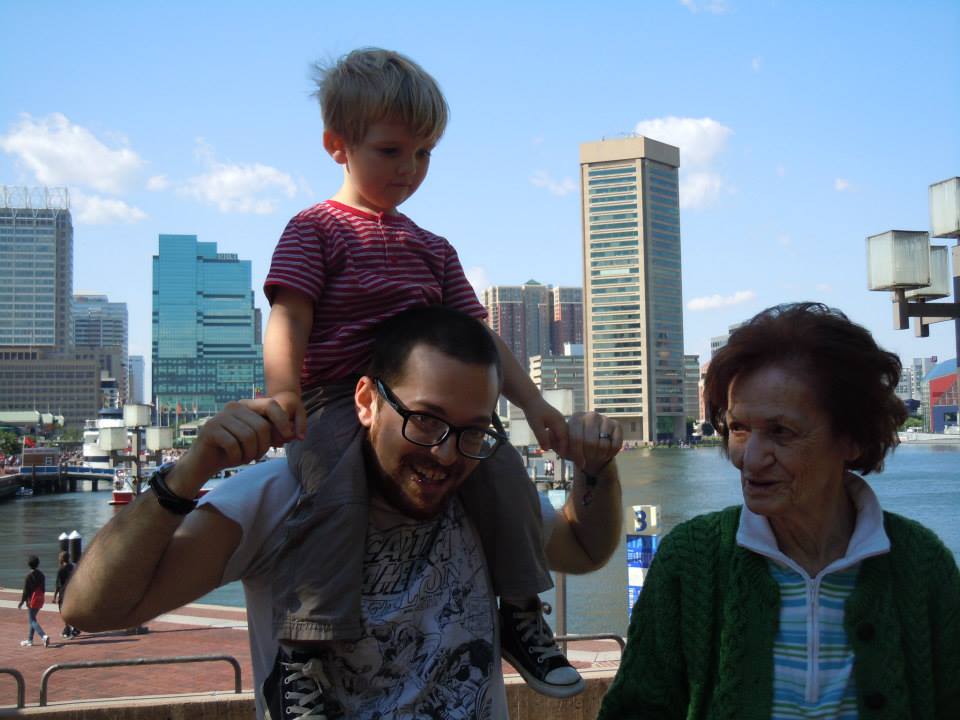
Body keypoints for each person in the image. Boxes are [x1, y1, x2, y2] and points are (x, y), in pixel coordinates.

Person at [64, 307, 624, 719]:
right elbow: (91, 609)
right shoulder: (279, 499)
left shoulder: (480, 491)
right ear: (365, 402)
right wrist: (187, 475)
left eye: (473, 431)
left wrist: (597, 468)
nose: (445, 454)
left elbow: (584, 550)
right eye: (425, 420)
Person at [261, 47, 577, 696]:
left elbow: (480, 340)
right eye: (391, 151)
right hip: (335, 400)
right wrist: (284, 393)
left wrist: (535, 405)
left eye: (424, 153)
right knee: (333, 494)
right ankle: (303, 656)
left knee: (504, 470)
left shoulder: (432, 249)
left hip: (429, 407)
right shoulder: (314, 229)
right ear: (337, 145)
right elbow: (289, 315)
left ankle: (521, 612)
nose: (408, 169)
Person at [598, 302, 960, 719]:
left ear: (852, 438)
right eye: (738, 428)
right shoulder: (692, 560)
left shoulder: (920, 564)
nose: (750, 459)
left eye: (781, 432)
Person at [18, 555, 50, 647]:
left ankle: (43, 636)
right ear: (38, 564)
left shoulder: (28, 577)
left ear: (29, 565)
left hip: (31, 601)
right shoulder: (42, 575)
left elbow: (25, 591)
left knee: (32, 620)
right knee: (33, 619)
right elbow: (43, 589)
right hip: (39, 599)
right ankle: (30, 640)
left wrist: (22, 602)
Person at [53, 551, 79, 638]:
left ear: (62, 559)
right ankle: (70, 629)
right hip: (72, 592)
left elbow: (58, 585)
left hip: (64, 594)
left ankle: (70, 631)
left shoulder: (61, 570)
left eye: (59, 557)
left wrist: (54, 597)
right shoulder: (73, 567)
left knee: (64, 612)